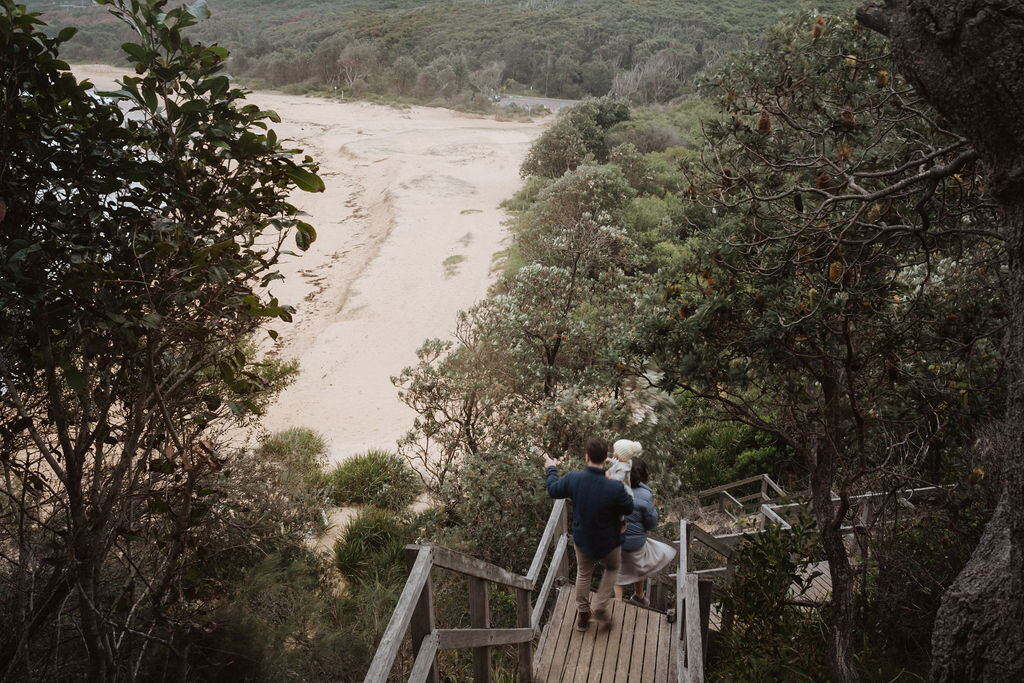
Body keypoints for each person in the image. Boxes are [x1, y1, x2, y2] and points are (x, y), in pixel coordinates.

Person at [545, 438, 634, 631]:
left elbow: (553, 490)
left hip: (583, 539)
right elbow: (629, 506)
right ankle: (600, 608)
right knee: (612, 568)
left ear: (586, 457)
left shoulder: (573, 479)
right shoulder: (614, 487)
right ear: (605, 458)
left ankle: (583, 615)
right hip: (609, 541)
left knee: (583, 573)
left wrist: (551, 468)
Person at [614, 456, 676, 606]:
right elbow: (651, 523)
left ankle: (617, 604)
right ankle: (639, 595)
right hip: (636, 543)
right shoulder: (646, 496)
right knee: (640, 565)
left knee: (619, 575)